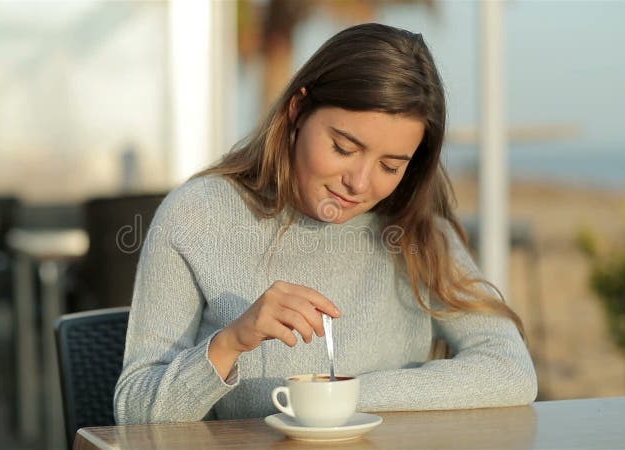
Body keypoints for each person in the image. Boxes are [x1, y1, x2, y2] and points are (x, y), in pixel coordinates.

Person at [114, 23, 537, 424]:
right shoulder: (198, 214)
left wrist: (337, 398)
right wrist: (230, 343)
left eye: (391, 166)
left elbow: (511, 370)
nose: (359, 183)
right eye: (343, 147)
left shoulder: (413, 227)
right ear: (298, 111)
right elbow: (134, 410)